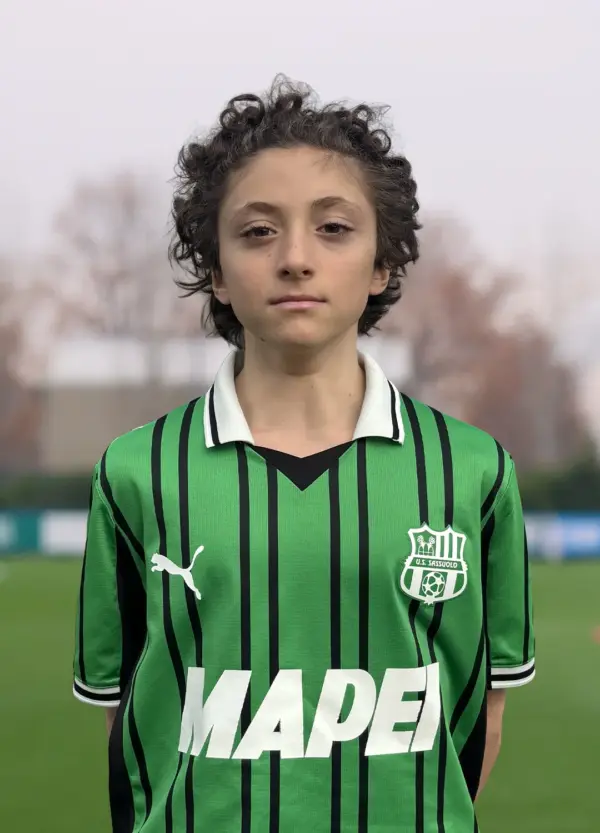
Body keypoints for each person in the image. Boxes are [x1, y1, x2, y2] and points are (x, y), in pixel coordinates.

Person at [72, 76, 535, 833]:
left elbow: (480, 714)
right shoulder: (135, 472)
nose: (294, 258)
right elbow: (129, 717)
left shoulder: (473, 471)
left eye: (334, 228)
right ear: (216, 272)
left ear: (382, 263)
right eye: (257, 231)